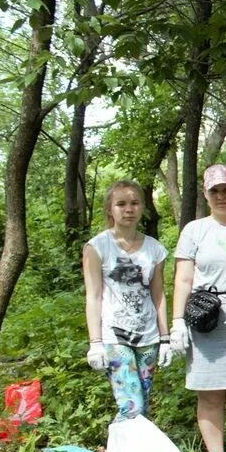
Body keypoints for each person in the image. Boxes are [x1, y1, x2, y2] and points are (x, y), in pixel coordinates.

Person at [169, 164, 226, 452]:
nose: (221, 196)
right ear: (206, 195)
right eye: (214, 190)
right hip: (205, 317)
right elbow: (183, 278)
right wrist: (177, 322)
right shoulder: (195, 230)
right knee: (208, 393)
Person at [83, 180, 172, 423]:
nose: (128, 209)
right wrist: (95, 343)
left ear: (143, 207)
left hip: (149, 336)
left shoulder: (155, 249)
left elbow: (158, 295)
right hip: (115, 335)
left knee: (142, 400)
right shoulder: (97, 246)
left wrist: (165, 339)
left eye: (134, 203)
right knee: (131, 404)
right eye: (121, 204)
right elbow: (93, 296)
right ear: (110, 209)